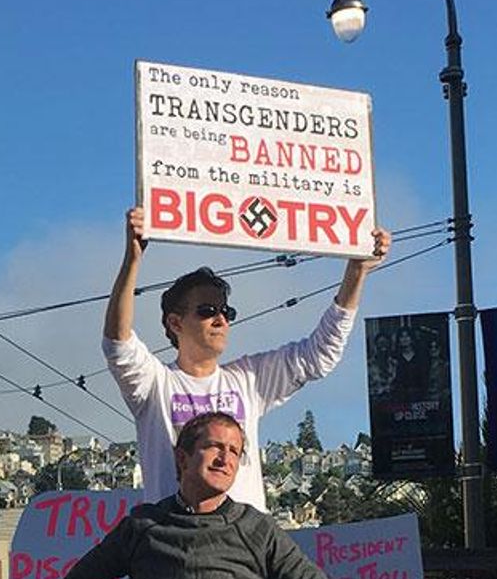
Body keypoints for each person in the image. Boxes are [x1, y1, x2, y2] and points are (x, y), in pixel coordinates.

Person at [104, 207, 390, 511]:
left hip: (243, 537)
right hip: (173, 534)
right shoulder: (154, 383)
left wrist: (356, 273)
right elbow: (117, 341)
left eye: (226, 312)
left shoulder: (248, 379)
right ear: (175, 323)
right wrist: (132, 259)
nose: (220, 319)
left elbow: (320, 353)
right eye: (207, 311)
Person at [57, 412, 339, 579]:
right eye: (215, 446)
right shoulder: (142, 526)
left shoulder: (258, 528)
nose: (225, 459)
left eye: (234, 451)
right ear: (183, 458)